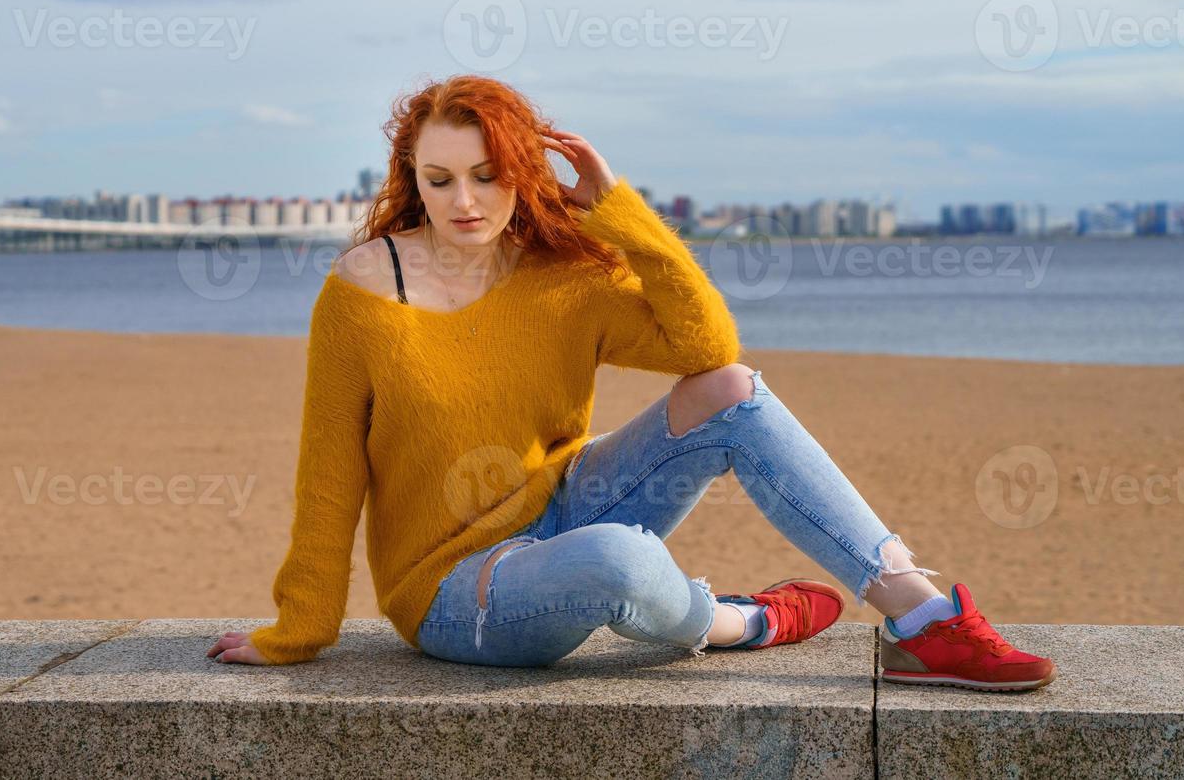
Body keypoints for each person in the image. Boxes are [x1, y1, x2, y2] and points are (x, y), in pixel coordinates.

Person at [207, 75, 1056, 692]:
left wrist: (620, 210)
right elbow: (330, 471)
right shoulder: (364, 289)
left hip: (570, 503)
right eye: (440, 180)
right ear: (411, 178)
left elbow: (706, 344)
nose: (465, 200)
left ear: (522, 171)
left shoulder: (560, 276)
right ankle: (739, 621)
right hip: (454, 591)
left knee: (730, 389)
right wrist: (302, 630)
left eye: (487, 174)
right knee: (619, 559)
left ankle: (922, 618)